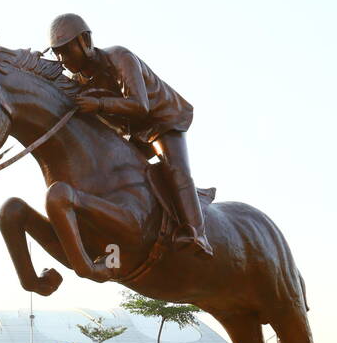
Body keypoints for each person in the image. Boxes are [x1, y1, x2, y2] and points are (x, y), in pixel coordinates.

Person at [47, 13, 213, 256]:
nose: (63, 59)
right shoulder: (78, 79)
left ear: (84, 41)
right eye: (57, 53)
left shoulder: (119, 57)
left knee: (174, 167)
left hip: (161, 121)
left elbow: (140, 105)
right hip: (132, 132)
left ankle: (197, 234)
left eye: (66, 50)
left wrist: (99, 104)